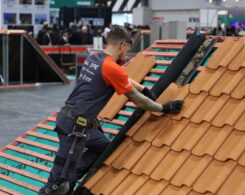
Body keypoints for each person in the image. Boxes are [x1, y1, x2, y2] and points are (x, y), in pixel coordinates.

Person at [39, 26, 184, 195]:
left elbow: (121, 76)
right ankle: (66, 183)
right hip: (75, 129)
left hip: (72, 120)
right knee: (56, 187)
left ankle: (72, 178)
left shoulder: (95, 58)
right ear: (122, 45)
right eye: (128, 49)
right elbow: (137, 100)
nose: (127, 54)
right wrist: (163, 108)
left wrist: (143, 87)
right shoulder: (111, 68)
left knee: (103, 147)